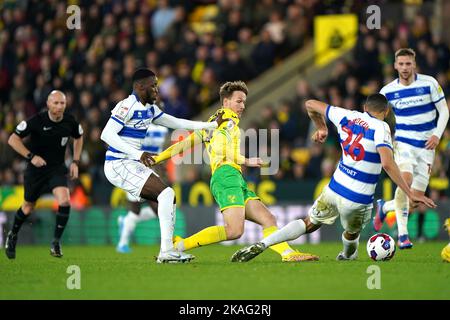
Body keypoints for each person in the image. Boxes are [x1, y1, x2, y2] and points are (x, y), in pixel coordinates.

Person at [230, 94, 436, 263]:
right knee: (351, 234)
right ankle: (346, 255)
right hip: (358, 198)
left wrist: (322, 127)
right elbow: (388, 164)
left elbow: (309, 104)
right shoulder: (381, 128)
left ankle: (263, 244)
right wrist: (410, 193)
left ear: (365, 107)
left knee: (309, 222)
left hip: (335, 187)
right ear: (387, 112)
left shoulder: (345, 115)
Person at [152, 80, 318, 262]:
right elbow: (221, 148)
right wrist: (247, 160)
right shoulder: (227, 118)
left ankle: (287, 254)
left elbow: (184, 144)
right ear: (226, 102)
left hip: (234, 176)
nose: (242, 106)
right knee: (234, 230)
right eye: (238, 101)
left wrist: (157, 158)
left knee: (267, 218)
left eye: (244, 101)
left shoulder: (211, 123)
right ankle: (179, 246)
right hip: (226, 175)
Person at [100, 68, 225, 263]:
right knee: (166, 195)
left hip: (131, 163)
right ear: (140, 87)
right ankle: (166, 251)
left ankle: (168, 251)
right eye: (153, 85)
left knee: (167, 197)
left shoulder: (150, 109)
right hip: (118, 163)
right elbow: (106, 135)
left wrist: (210, 125)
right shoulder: (126, 106)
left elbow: (175, 122)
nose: (157, 90)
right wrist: (139, 153)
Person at [373, 48, 449, 249]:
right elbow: (375, 117)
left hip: (426, 147)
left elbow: (444, 111)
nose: (405, 68)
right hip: (403, 142)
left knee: (414, 201)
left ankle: (385, 207)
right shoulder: (387, 91)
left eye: (408, 63)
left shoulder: (429, 83)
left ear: (414, 64)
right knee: (405, 180)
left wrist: (436, 135)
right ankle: (403, 236)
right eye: (401, 64)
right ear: (395, 65)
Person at [5, 90, 83, 259]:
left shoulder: (69, 121)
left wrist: (75, 162)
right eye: (56, 103)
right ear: (48, 104)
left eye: (62, 103)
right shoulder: (36, 121)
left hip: (56, 168)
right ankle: (13, 235)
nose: (59, 106)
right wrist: (31, 157)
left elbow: (79, 137)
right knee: (28, 207)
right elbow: (12, 139)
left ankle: (55, 243)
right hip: (36, 171)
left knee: (65, 200)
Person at [116, 122, 169, 253]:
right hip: (138, 172)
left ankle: (125, 226)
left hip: (136, 171)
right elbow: (159, 154)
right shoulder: (163, 130)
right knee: (148, 210)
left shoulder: (137, 126)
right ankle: (123, 240)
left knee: (138, 212)